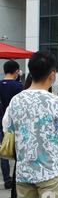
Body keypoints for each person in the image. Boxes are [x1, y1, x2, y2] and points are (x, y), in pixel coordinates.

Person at [2, 51, 58, 198]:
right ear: (52, 75)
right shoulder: (57, 102)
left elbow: (8, 128)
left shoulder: (16, 101)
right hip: (51, 175)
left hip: (24, 174)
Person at [0, 60, 23, 190]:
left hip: (0, 122)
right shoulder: (18, 86)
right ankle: (16, 179)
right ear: (16, 71)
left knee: (4, 150)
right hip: (14, 123)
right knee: (18, 151)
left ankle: (7, 180)